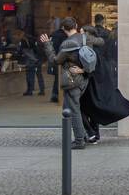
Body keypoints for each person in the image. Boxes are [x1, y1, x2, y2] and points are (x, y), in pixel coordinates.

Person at [40, 18, 104, 149]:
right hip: (84, 79)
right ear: (76, 25)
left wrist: (47, 44)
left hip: (73, 81)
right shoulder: (85, 38)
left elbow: (55, 60)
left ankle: (80, 140)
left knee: (72, 110)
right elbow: (98, 46)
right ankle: (84, 135)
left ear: (63, 29)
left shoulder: (67, 44)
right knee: (70, 108)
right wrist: (85, 69)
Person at [16, 29, 45, 96]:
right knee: (39, 75)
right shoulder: (33, 39)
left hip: (30, 60)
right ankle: (42, 90)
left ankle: (30, 90)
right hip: (37, 59)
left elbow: (20, 51)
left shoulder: (23, 41)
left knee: (30, 76)